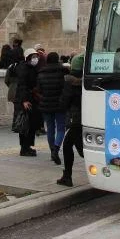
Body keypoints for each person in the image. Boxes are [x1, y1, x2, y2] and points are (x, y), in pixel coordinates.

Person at [57, 54, 85, 187]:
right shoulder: (87, 81)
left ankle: (67, 176)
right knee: (80, 147)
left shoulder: (69, 82)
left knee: (67, 146)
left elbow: (64, 102)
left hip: (74, 118)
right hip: (85, 118)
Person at [37, 52, 67, 165]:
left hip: (46, 104)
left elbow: (39, 90)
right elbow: (66, 88)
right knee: (60, 128)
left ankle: (52, 152)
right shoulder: (63, 71)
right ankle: (56, 149)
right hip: (59, 105)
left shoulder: (41, 72)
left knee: (50, 129)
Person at [14, 48, 41, 156]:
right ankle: (24, 148)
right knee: (25, 125)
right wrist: (24, 100)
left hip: (31, 99)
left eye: (36, 57)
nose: (35, 59)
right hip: (25, 100)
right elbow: (22, 85)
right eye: (33, 57)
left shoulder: (31, 68)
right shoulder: (24, 68)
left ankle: (28, 146)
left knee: (31, 125)